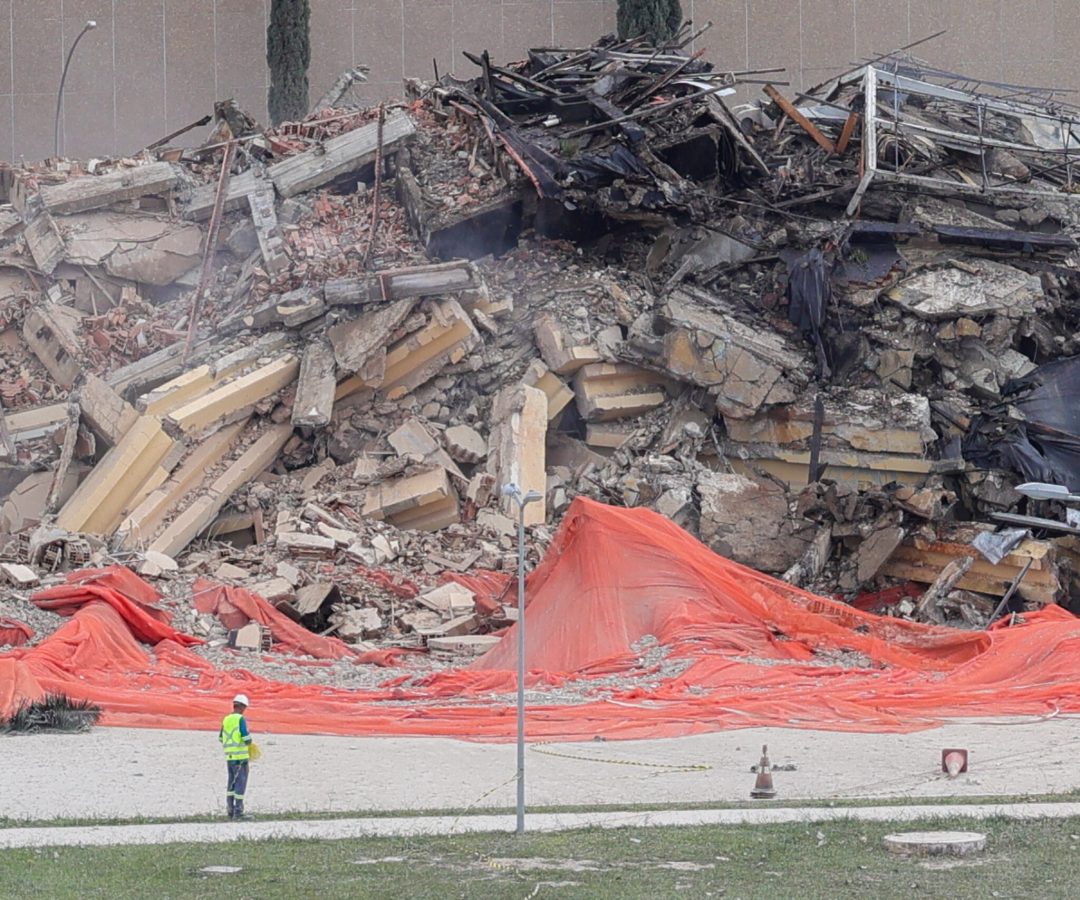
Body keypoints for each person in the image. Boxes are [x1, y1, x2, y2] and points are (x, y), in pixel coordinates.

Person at [219, 693, 253, 819]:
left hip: (230, 757)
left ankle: (230, 810)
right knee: (240, 783)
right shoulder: (240, 719)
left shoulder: (226, 719)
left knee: (231, 784)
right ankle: (238, 812)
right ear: (243, 707)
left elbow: (221, 737)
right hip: (241, 758)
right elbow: (245, 737)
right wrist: (250, 742)